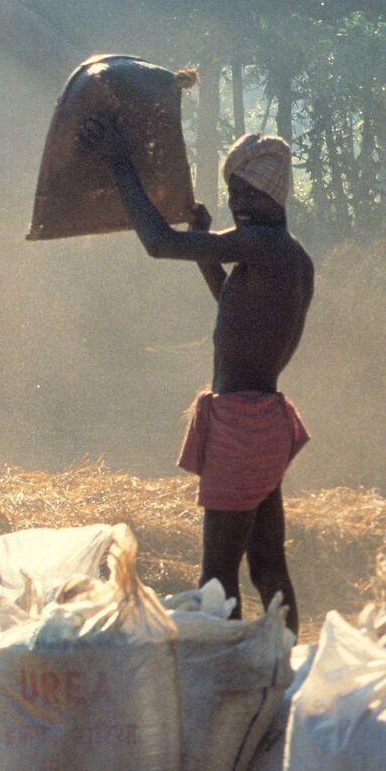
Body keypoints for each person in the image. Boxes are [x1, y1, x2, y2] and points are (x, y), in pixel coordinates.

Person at [88, 118, 316, 632]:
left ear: (263, 193)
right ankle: (279, 674)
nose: (235, 202)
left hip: (240, 427)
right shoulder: (293, 258)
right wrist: (204, 246)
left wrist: (120, 162)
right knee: (267, 566)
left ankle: (230, 683)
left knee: (217, 576)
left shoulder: (258, 245)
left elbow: (156, 242)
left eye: (240, 191)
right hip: (267, 422)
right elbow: (234, 312)